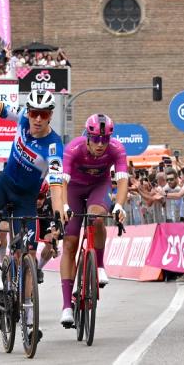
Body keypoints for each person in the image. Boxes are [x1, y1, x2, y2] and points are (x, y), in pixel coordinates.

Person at [0, 49, 67, 297]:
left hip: (26, 198)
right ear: (29, 111)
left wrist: (58, 217)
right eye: (34, 113)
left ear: (50, 116)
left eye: (43, 114)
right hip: (5, 184)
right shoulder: (22, 116)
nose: (37, 119)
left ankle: (28, 312)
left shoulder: (54, 147)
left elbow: (56, 186)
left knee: (28, 258)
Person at [59, 113, 128, 327]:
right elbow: (62, 181)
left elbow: (122, 180)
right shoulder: (74, 147)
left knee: (97, 217)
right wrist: (64, 206)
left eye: (104, 139)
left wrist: (119, 205)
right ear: (88, 137)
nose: (100, 144)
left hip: (99, 186)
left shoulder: (116, 149)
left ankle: (98, 265)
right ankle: (66, 306)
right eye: (96, 139)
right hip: (73, 189)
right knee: (69, 243)